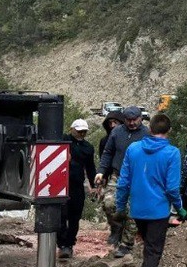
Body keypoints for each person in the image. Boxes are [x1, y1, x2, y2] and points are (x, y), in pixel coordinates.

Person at [115, 113, 185, 267]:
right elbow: (172, 188)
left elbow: (123, 182)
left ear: (150, 129)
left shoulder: (134, 149)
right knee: (153, 251)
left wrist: (121, 206)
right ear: (168, 130)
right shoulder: (172, 153)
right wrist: (180, 208)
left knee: (149, 246)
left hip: (138, 209)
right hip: (158, 211)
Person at [97, 105, 149, 257]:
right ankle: (116, 227)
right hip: (117, 175)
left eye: (135, 120)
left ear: (141, 118)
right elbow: (107, 153)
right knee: (109, 204)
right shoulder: (116, 132)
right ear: (124, 119)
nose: (132, 123)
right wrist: (101, 172)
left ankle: (126, 244)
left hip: (138, 177)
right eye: (128, 120)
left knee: (133, 211)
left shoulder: (147, 134)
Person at [59, 119, 98, 259]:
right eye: (79, 130)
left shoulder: (87, 148)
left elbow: (90, 168)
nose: (81, 133)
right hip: (60, 184)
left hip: (76, 185)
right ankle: (62, 244)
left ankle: (69, 244)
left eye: (84, 131)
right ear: (72, 129)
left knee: (75, 217)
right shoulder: (63, 140)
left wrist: (94, 185)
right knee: (61, 215)